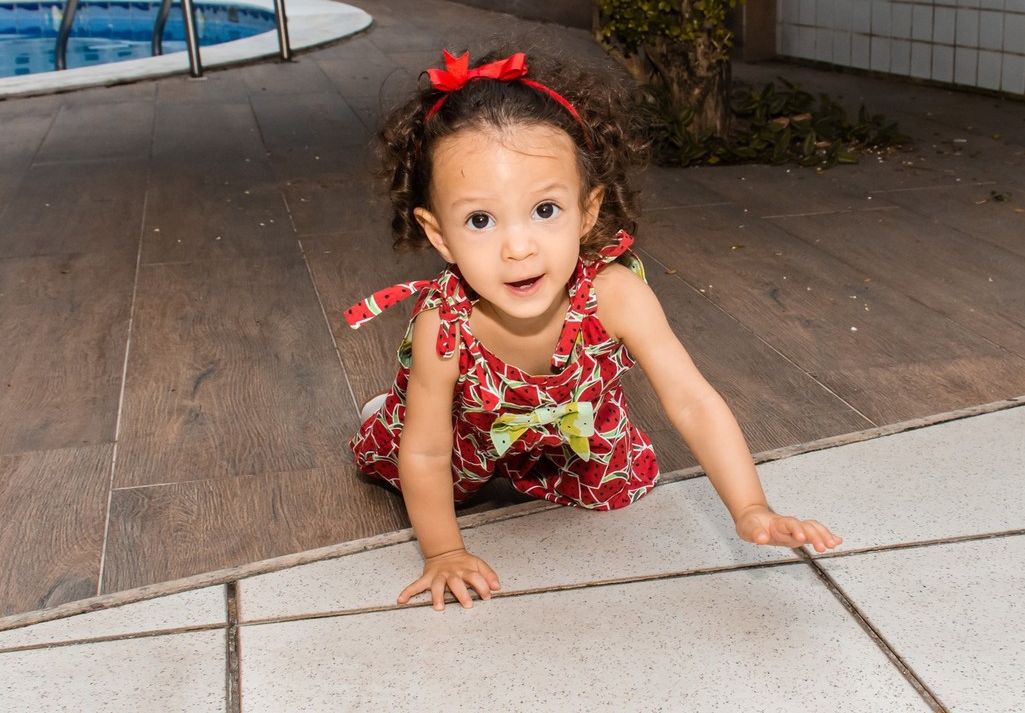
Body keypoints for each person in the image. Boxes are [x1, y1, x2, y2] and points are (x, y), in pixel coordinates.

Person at [345, 47, 841, 611]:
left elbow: (694, 402)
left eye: (545, 210)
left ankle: (547, 454)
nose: (518, 247)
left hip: (577, 431)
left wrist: (751, 508)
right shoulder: (445, 326)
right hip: (468, 436)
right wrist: (443, 553)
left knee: (622, 488)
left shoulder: (616, 295)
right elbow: (429, 453)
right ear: (439, 236)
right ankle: (387, 408)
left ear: (587, 210)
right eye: (480, 220)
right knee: (408, 462)